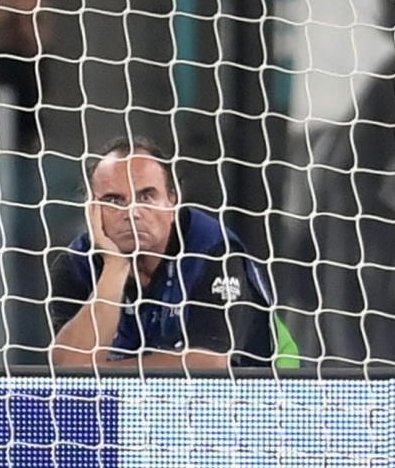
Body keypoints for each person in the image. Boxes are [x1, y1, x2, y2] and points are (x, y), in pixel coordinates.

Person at [49, 139, 292, 372]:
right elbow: (70, 371)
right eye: (114, 200)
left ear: (172, 202)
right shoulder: (76, 265)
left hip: (268, 387)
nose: (132, 212)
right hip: (139, 397)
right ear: (91, 209)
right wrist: (115, 267)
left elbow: (209, 365)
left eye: (146, 196)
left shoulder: (213, 249)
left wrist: (103, 374)